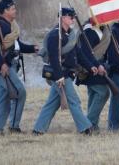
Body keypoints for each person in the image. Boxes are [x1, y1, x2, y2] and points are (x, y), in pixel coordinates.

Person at [32, 7, 98, 135]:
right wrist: (59, 77)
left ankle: (38, 129)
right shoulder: (54, 35)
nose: (73, 19)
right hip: (60, 74)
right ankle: (85, 128)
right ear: (62, 18)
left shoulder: (70, 35)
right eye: (70, 16)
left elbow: (79, 53)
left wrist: (90, 66)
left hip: (67, 73)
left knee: (52, 104)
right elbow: (54, 58)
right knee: (74, 101)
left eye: (73, 16)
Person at [0, 0, 38, 135]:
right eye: (13, 9)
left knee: (3, 98)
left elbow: (17, 45)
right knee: (20, 92)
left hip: (11, 65)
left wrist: (33, 48)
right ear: (5, 11)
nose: (15, 11)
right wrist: (2, 64)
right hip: (5, 67)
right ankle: (14, 126)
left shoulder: (11, 26)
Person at [77, 20, 110, 131]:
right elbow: (85, 53)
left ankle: (93, 125)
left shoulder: (101, 29)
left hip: (97, 65)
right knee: (103, 92)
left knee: (93, 94)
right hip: (91, 67)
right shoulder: (89, 31)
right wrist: (97, 65)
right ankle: (89, 124)